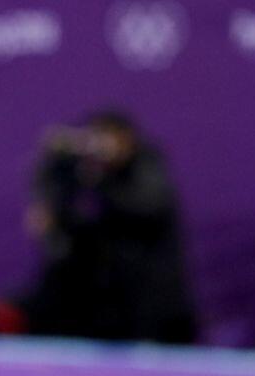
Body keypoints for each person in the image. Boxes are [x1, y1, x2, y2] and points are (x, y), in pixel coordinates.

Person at [20, 110, 197, 344]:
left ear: (128, 139)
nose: (101, 146)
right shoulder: (84, 168)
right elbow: (53, 195)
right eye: (95, 137)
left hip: (146, 307)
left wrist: (102, 180)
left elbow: (145, 207)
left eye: (108, 138)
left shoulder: (146, 166)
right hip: (92, 302)